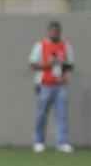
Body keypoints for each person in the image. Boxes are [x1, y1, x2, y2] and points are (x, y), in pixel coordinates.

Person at [29, 21, 74, 153]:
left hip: (60, 85)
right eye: (52, 31)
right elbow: (32, 64)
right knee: (41, 114)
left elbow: (70, 65)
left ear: (60, 32)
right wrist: (48, 65)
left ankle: (62, 142)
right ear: (48, 32)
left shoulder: (66, 46)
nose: (55, 33)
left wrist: (63, 68)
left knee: (62, 115)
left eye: (57, 31)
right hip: (44, 84)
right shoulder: (40, 46)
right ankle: (39, 141)